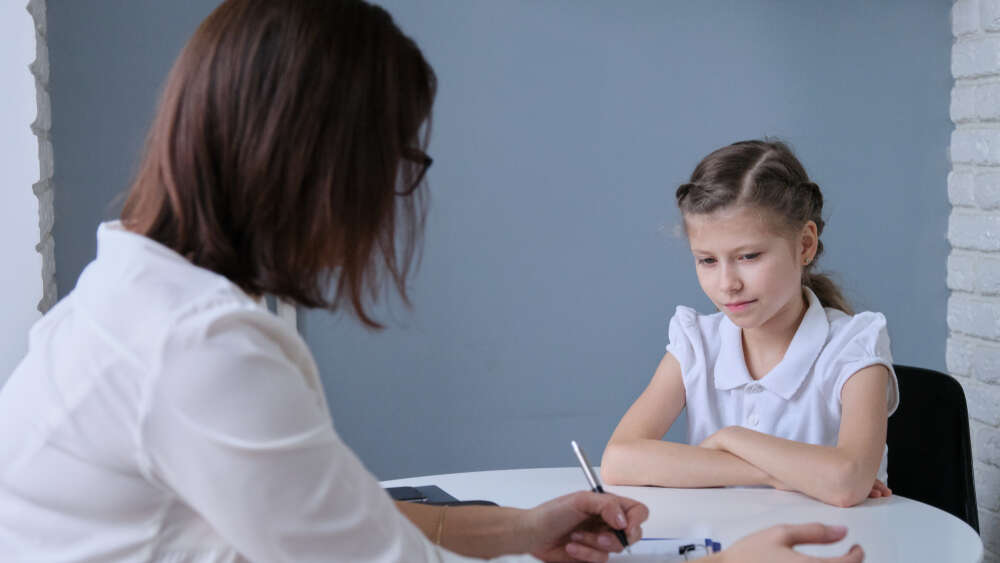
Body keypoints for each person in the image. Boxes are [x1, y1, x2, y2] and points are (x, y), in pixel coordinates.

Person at [0, 1, 862, 561]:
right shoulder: (199, 346)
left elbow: (340, 520)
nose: (393, 197)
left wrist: (524, 528)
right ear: (322, 164)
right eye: (397, 159)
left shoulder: (133, 302)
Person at [601, 139, 899, 510]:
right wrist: (771, 472)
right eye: (707, 260)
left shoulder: (856, 346)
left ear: (805, 244)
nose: (727, 284)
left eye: (748, 256)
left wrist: (731, 437)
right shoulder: (697, 343)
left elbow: (846, 482)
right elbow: (619, 460)